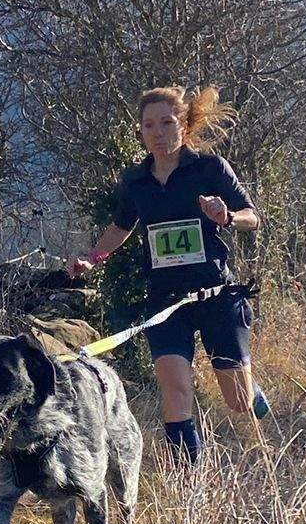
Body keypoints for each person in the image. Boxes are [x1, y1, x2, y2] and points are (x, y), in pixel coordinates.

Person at [66, 85, 268, 464]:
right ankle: (190, 480)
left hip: (215, 296)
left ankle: (253, 394)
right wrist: (93, 259)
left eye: (166, 122)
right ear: (140, 132)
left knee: (238, 401)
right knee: (175, 391)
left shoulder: (210, 169)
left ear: (183, 125)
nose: (158, 132)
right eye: (148, 125)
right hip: (165, 302)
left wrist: (226, 216)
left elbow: (252, 217)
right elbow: (121, 227)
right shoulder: (135, 181)